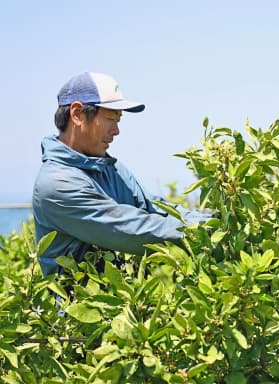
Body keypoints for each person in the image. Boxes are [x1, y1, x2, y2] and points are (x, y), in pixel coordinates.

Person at [33, 72, 212, 277]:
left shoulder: (109, 168)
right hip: (78, 306)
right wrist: (206, 232)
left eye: (118, 120)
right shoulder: (57, 184)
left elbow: (155, 208)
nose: (116, 130)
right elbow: (132, 230)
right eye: (110, 118)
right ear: (77, 114)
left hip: (120, 302)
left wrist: (215, 223)